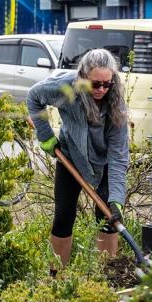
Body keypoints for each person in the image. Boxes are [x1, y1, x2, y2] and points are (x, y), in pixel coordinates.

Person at [27, 48, 129, 268]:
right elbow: (34, 97)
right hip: (69, 157)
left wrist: (117, 200)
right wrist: (46, 136)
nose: (101, 89)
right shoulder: (66, 88)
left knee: (107, 218)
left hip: (104, 164)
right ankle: (56, 275)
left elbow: (119, 156)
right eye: (95, 84)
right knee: (64, 215)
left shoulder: (116, 103)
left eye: (107, 83)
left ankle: (106, 275)